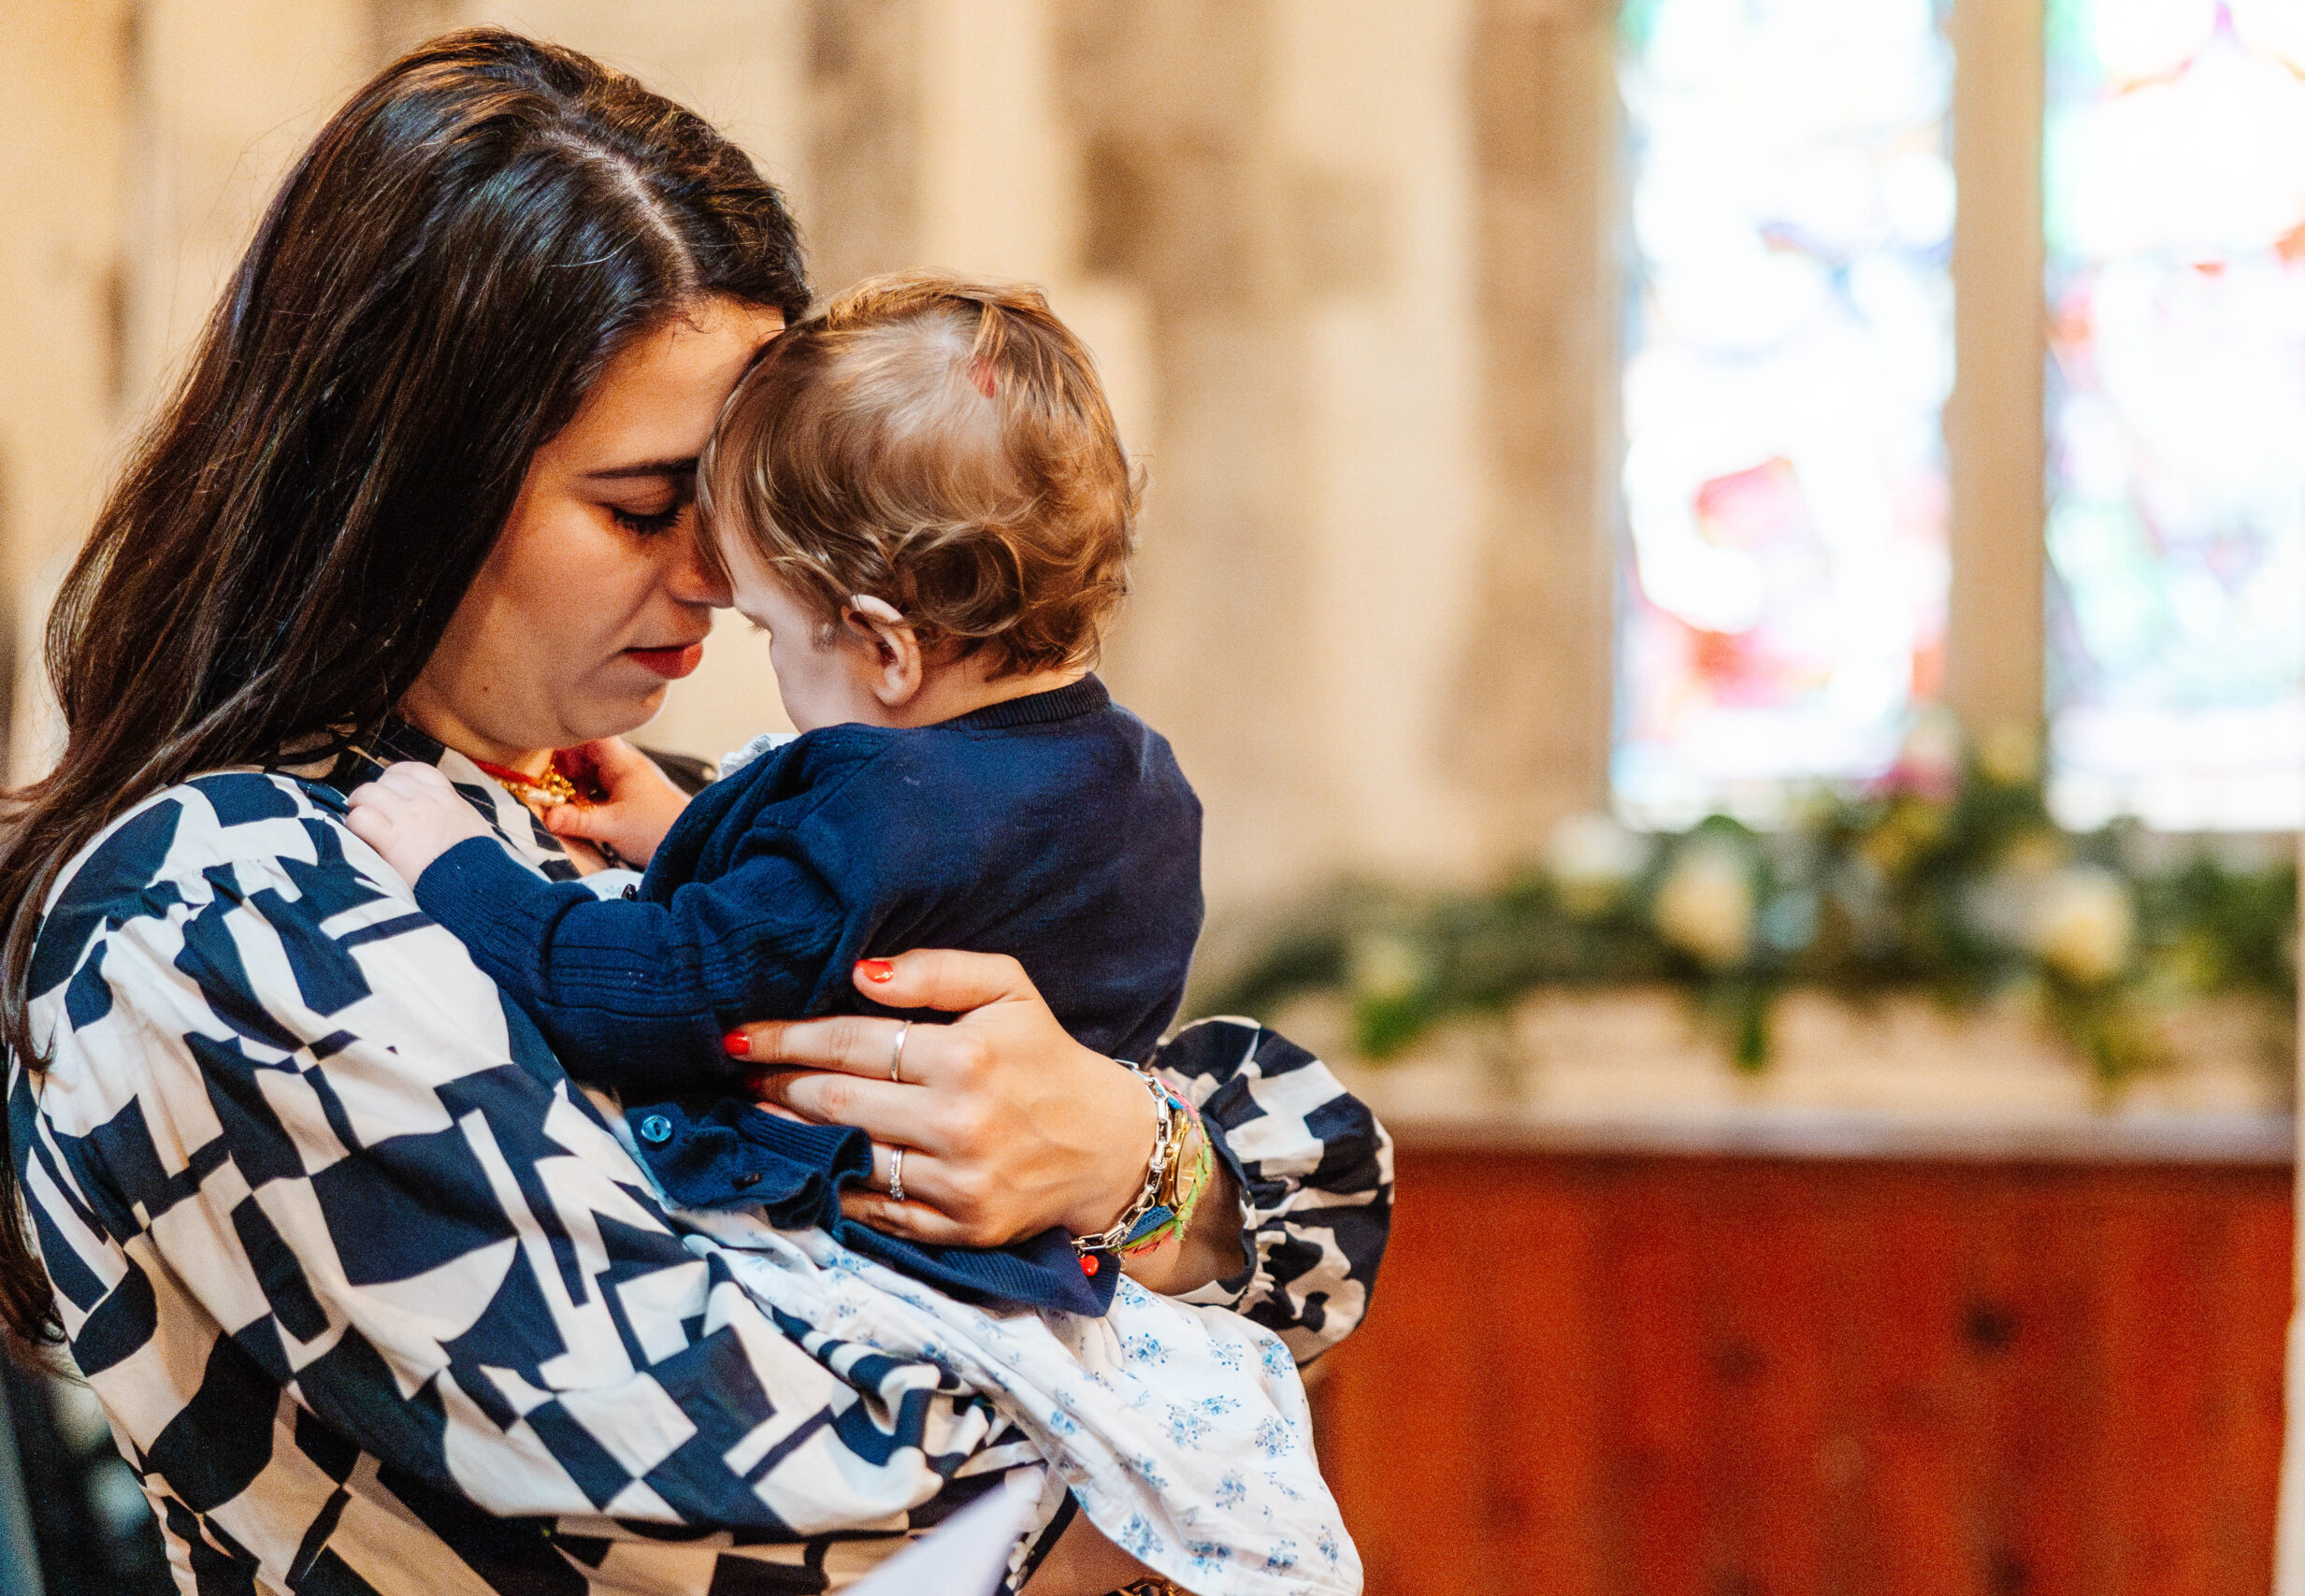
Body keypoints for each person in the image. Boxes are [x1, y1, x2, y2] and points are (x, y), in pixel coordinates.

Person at [0, 30, 1390, 1596]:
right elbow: (756, 1478)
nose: (730, 585)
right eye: (652, 510)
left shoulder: (721, 814)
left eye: (750, 513)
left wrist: (1129, 1158)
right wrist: (1132, 1457)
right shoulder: (220, 904)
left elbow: (1321, 1194)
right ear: (404, 477)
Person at [339, 272, 1357, 1593]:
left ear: (882, 646)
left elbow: (651, 987)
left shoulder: (878, 807)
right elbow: (873, 900)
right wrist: (676, 834)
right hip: (1061, 1284)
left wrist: (461, 866)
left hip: (872, 1268)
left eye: (768, 626)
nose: (724, 626)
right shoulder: (1134, 774)